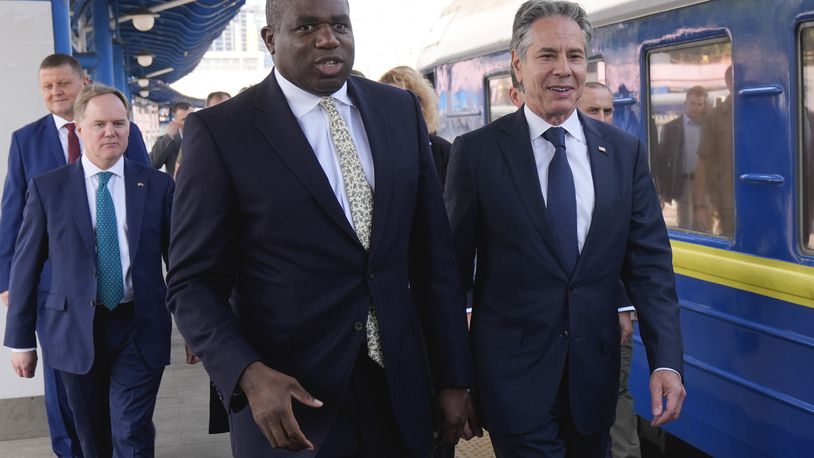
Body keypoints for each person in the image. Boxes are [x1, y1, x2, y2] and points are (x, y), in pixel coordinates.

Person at [166, 0, 478, 456]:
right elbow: (191, 284)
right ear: (270, 40)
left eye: (339, 25)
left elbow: (434, 259)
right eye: (307, 26)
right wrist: (248, 374)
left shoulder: (399, 111)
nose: (328, 38)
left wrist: (454, 377)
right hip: (291, 405)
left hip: (405, 395)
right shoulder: (221, 133)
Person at [444, 1, 686, 455]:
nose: (564, 70)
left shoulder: (624, 153)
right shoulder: (476, 155)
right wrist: (453, 380)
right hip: (512, 386)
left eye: (574, 56)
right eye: (547, 55)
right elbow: (450, 278)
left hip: (594, 385)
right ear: (518, 65)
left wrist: (666, 363)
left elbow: (651, 268)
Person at [4, 84, 174, 457]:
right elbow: (26, 265)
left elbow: (178, 262)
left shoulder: (157, 186)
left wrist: (195, 327)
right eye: (99, 124)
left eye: (119, 123)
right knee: (91, 438)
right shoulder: (49, 189)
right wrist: (20, 340)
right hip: (73, 330)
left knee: (131, 431)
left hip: (139, 325)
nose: (110, 132)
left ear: (131, 128)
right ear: (78, 129)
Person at [579, 81, 641, 458]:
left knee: (616, 402)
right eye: (594, 111)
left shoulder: (624, 156)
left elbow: (634, 242)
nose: (604, 118)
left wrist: (622, 303)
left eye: (609, 110)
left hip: (611, 312)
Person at [379, 65, 452, 188]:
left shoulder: (442, 151)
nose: (395, 110)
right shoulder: (374, 150)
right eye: (387, 102)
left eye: (404, 102)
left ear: (422, 105)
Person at [658, 86, 708, 231]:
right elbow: (662, 161)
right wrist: (662, 190)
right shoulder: (671, 128)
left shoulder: (708, 127)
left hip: (706, 186)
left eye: (700, 104)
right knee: (686, 225)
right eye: (692, 103)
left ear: (704, 106)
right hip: (684, 183)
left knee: (705, 226)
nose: (696, 108)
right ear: (685, 103)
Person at [695, 66, 734, 236]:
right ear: (728, 83)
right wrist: (700, 206)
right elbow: (702, 162)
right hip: (726, 202)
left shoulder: (765, 112)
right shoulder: (714, 117)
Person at [174, 92, 231, 178]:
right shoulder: (195, 138)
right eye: (216, 111)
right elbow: (178, 178)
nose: (222, 115)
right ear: (206, 111)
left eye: (227, 109)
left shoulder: (244, 135)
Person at [149, 101, 191, 176]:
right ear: (176, 122)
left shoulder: (204, 137)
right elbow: (153, 163)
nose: (190, 122)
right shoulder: (167, 141)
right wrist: (168, 137)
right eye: (184, 119)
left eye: (191, 117)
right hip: (178, 186)